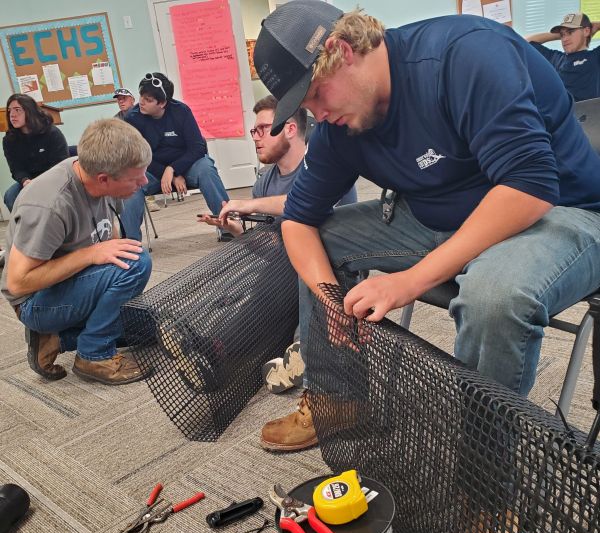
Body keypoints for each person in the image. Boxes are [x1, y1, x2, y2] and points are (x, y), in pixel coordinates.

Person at [250, 1, 600, 452]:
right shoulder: (341, 127)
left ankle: (487, 485)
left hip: (556, 210)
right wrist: (330, 298)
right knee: (323, 240)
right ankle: (338, 401)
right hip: (438, 218)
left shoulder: (464, 54)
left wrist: (410, 281)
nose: (316, 113)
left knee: (495, 297)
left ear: (342, 50)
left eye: (315, 94)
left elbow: (529, 187)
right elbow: (298, 220)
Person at [200, 94, 357, 394]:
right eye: (253, 131)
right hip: (283, 275)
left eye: (262, 129)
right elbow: (271, 251)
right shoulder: (265, 180)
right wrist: (238, 232)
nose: (256, 138)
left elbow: (303, 205)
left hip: (332, 269)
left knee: (281, 267)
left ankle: (228, 347)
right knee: (260, 280)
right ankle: (282, 350)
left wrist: (249, 206)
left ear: (289, 129)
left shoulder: (324, 166)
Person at [1, 119, 153, 385]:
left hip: (72, 284)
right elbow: (18, 282)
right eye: (136, 177)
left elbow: (111, 238)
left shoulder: (104, 176)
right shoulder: (51, 204)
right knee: (137, 263)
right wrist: (91, 255)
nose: (144, 181)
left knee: (148, 328)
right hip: (35, 302)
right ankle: (94, 355)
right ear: (104, 179)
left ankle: (56, 340)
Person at [121, 72, 229, 241]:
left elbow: (198, 148)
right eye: (141, 96)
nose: (141, 101)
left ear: (163, 103)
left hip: (187, 166)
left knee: (206, 168)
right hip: (152, 170)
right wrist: (167, 173)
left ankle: (228, 227)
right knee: (129, 183)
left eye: (148, 100)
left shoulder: (181, 111)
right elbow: (137, 157)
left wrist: (173, 170)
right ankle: (130, 243)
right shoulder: (133, 118)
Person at [2, 93, 68, 212]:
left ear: (30, 111)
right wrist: (25, 180)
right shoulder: (9, 140)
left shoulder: (52, 132)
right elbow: (16, 168)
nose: (12, 115)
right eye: (9, 111)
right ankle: (27, 228)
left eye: (17, 110)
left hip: (54, 179)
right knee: (10, 196)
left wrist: (42, 183)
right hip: (29, 181)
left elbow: (61, 165)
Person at [526, 13, 600, 101]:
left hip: (588, 112)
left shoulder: (595, 56)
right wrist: (557, 35)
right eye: (563, 35)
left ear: (586, 31)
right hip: (560, 112)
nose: (564, 39)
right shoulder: (556, 58)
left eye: (570, 32)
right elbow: (526, 43)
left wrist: (596, 25)